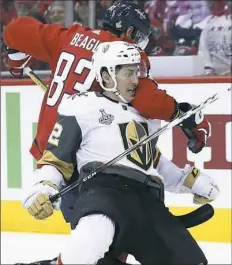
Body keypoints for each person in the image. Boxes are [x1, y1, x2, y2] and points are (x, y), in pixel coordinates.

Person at [3, 2, 211, 264]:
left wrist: (15, 58)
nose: (136, 75)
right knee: (104, 245)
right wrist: (183, 115)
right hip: (89, 163)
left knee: (97, 244)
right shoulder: (124, 55)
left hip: (53, 149)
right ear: (131, 33)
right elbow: (149, 102)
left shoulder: (70, 36)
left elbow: (16, 29)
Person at [198, 0, 232, 75]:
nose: (212, 5)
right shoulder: (208, 22)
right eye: (211, 3)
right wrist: (208, 69)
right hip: (215, 73)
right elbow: (204, 48)